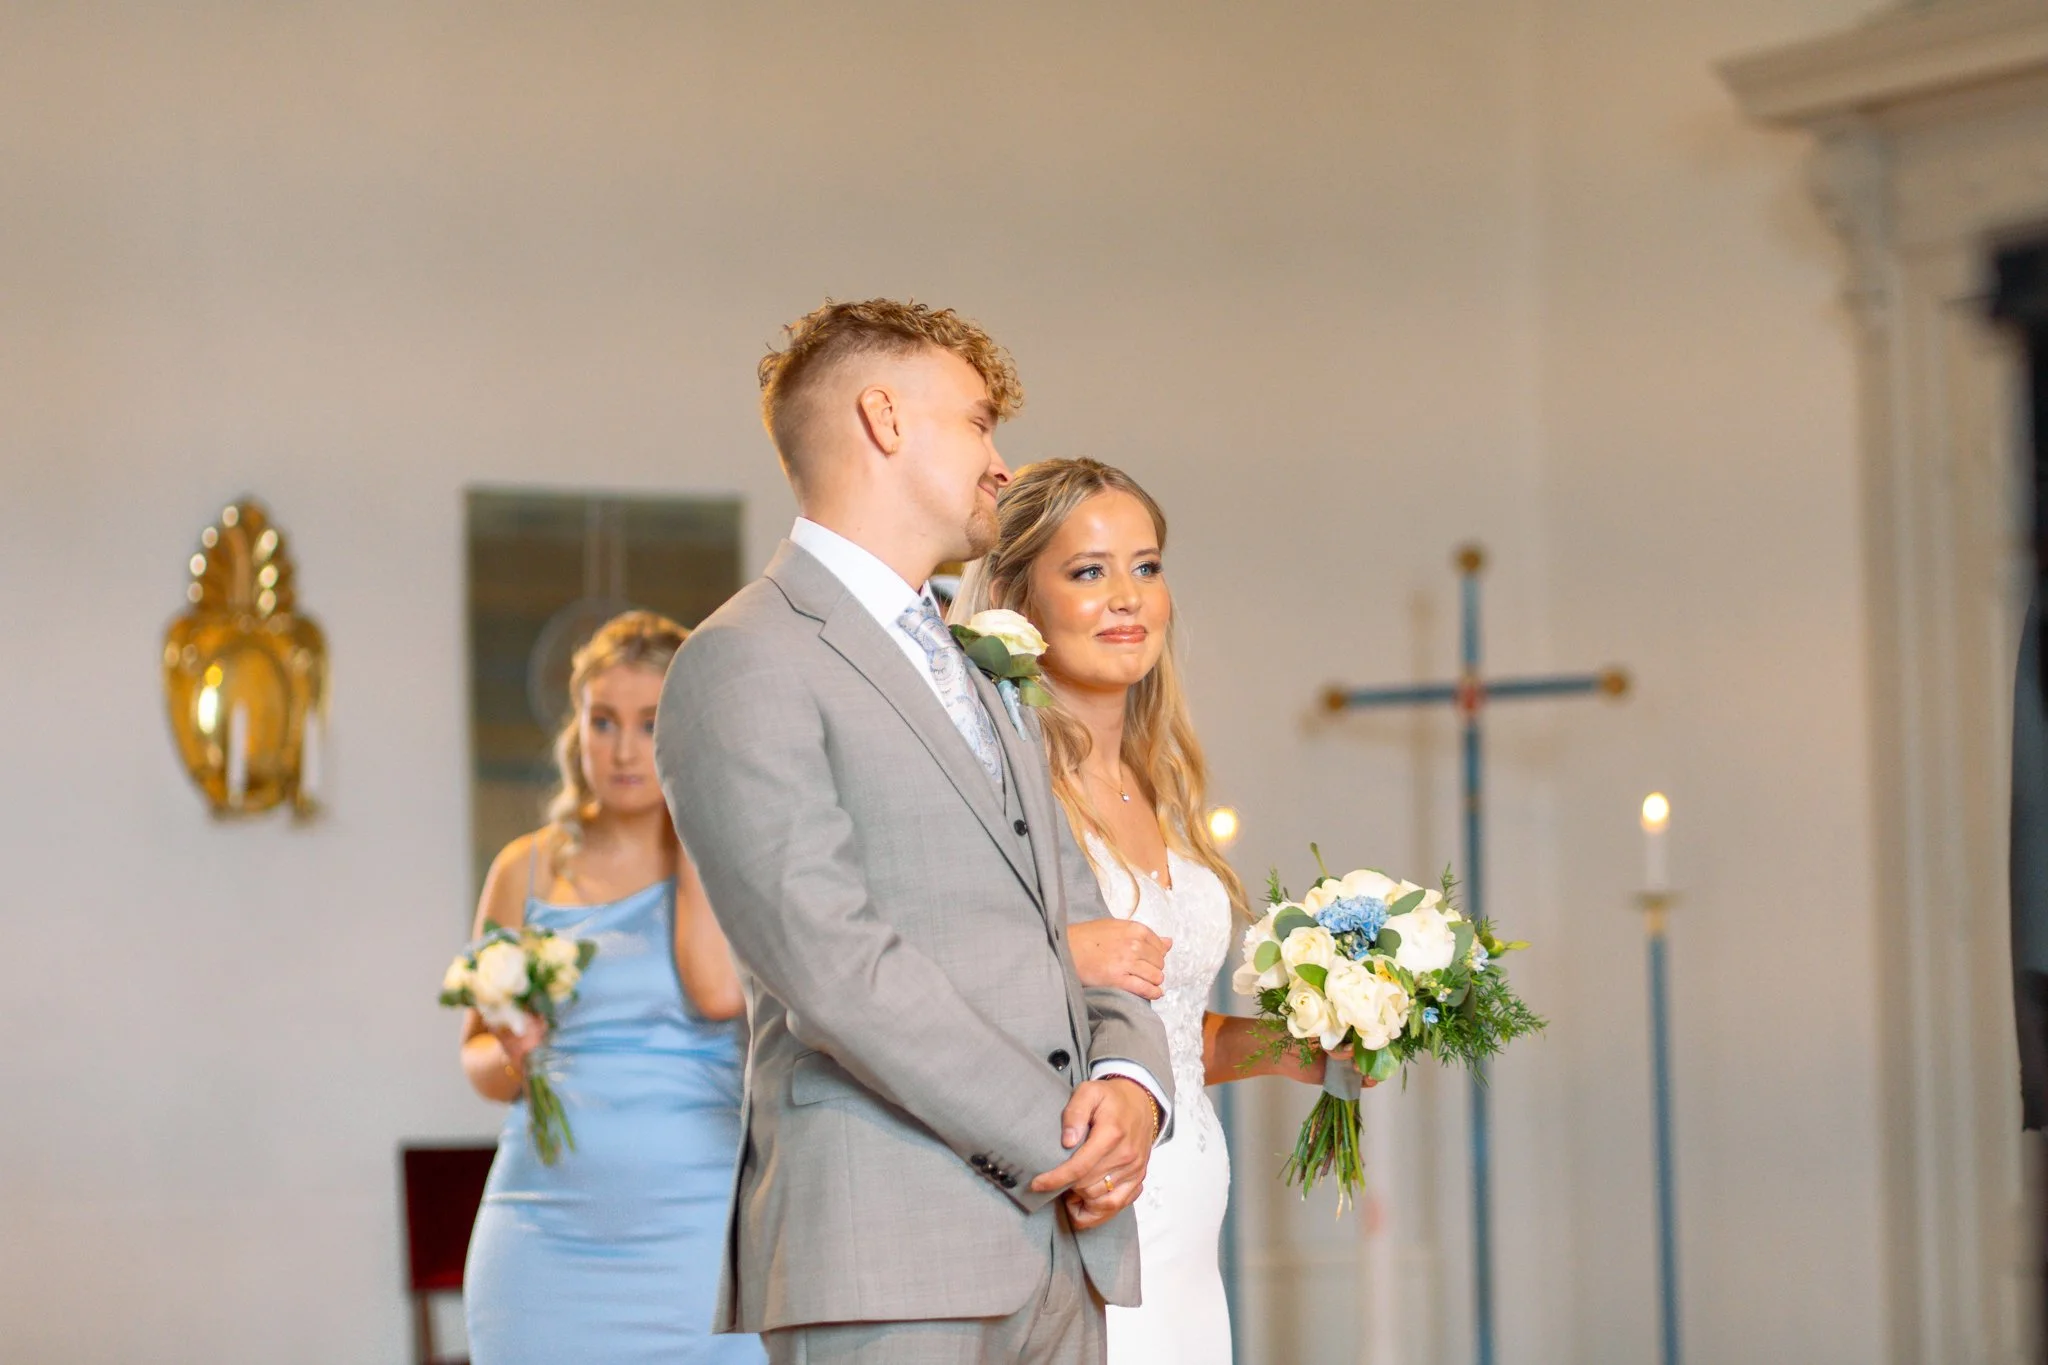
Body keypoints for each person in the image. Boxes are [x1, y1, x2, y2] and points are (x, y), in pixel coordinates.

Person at [655, 298, 1174, 1365]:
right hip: (886, 1252)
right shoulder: (745, 658)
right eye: (978, 423)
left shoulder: (977, 662)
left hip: (1061, 1261)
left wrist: (1132, 1088)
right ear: (883, 418)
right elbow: (829, 964)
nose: (999, 463)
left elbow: (1081, 920)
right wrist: (1058, 1138)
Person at [954, 457, 1345, 1364]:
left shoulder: (1153, 782)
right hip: (1079, 1216)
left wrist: (1299, 1046)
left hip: (1190, 1242)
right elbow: (932, 976)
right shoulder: (1003, 779)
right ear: (1020, 598)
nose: (1127, 597)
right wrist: (1060, 954)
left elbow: (1165, 1029)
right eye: (1088, 571)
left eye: (1147, 565)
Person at [460, 610, 761, 1365]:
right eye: (603, 721)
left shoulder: (731, 850)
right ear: (577, 730)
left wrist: (704, 812)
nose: (625, 748)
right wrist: (515, 1053)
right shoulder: (523, 868)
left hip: (700, 1235)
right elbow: (477, 1060)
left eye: (653, 722)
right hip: (541, 1237)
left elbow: (718, 993)